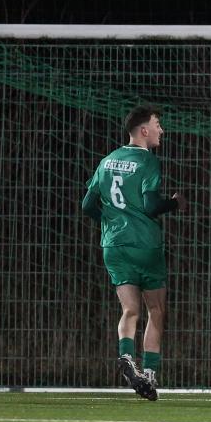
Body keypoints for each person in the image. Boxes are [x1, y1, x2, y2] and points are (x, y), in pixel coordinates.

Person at [81, 105, 188, 401]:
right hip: (145, 246)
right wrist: (175, 203)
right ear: (144, 130)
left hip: (113, 246)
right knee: (156, 310)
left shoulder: (107, 161)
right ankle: (150, 373)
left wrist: (112, 221)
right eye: (157, 125)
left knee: (129, 310)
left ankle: (127, 357)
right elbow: (152, 206)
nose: (161, 130)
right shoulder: (148, 162)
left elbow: (87, 206)